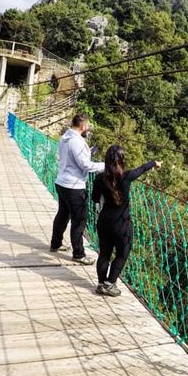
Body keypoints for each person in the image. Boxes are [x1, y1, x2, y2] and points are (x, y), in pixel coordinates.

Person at [92, 145, 161, 296]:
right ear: (121, 160)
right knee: (123, 253)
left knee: (104, 253)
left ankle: (101, 284)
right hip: (122, 224)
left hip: (104, 221)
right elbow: (142, 168)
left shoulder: (99, 178)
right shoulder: (127, 176)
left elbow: (94, 198)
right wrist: (154, 163)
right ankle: (110, 284)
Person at [50, 113, 104, 264]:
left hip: (62, 182)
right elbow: (85, 165)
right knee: (79, 220)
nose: (88, 128)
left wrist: (88, 152)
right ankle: (79, 254)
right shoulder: (77, 142)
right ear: (82, 126)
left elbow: (74, 158)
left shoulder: (64, 137)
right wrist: (104, 166)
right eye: (87, 126)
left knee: (62, 214)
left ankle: (56, 243)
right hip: (74, 186)